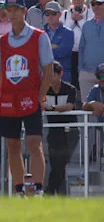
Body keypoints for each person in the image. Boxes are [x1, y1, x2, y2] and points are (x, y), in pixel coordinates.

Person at [0, 0, 54, 196]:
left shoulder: (39, 36)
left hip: (30, 97)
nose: (13, 13)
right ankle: (19, 190)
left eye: (17, 9)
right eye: (9, 10)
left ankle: (37, 190)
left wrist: (39, 97)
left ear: (24, 11)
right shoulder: (2, 41)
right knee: (12, 144)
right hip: (9, 99)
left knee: (34, 143)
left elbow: (48, 70)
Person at [43, 61, 78, 195]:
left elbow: (69, 106)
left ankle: (49, 192)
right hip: (53, 133)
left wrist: (52, 108)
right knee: (57, 166)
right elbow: (40, 103)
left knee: (60, 164)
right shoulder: (44, 89)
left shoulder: (70, 89)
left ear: (60, 74)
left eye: (53, 75)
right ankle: (61, 196)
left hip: (70, 132)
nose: (50, 79)